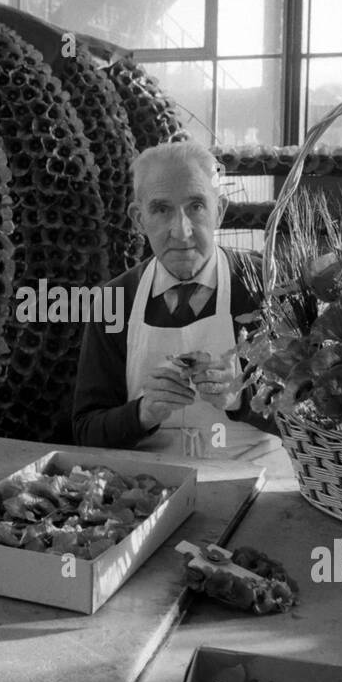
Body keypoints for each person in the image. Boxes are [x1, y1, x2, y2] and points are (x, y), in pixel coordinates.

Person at [72, 142, 279, 458]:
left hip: (258, 475)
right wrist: (143, 412)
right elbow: (87, 431)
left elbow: (315, 416)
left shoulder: (268, 286)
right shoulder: (113, 300)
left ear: (219, 211)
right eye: (161, 209)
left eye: (196, 206)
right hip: (151, 482)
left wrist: (242, 397)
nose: (181, 232)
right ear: (139, 219)